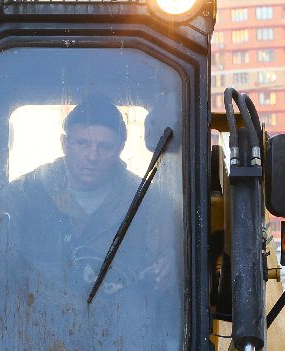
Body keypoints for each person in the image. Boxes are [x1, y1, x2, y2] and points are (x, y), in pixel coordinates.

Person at [13, 96, 176, 295]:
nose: (92, 156)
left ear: (120, 148)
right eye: (82, 143)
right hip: (36, 318)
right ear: (64, 143)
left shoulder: (148, 201)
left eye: (105, 147)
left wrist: (167, 266)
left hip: (123, 318)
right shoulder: (25, 194)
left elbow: (171, 261)